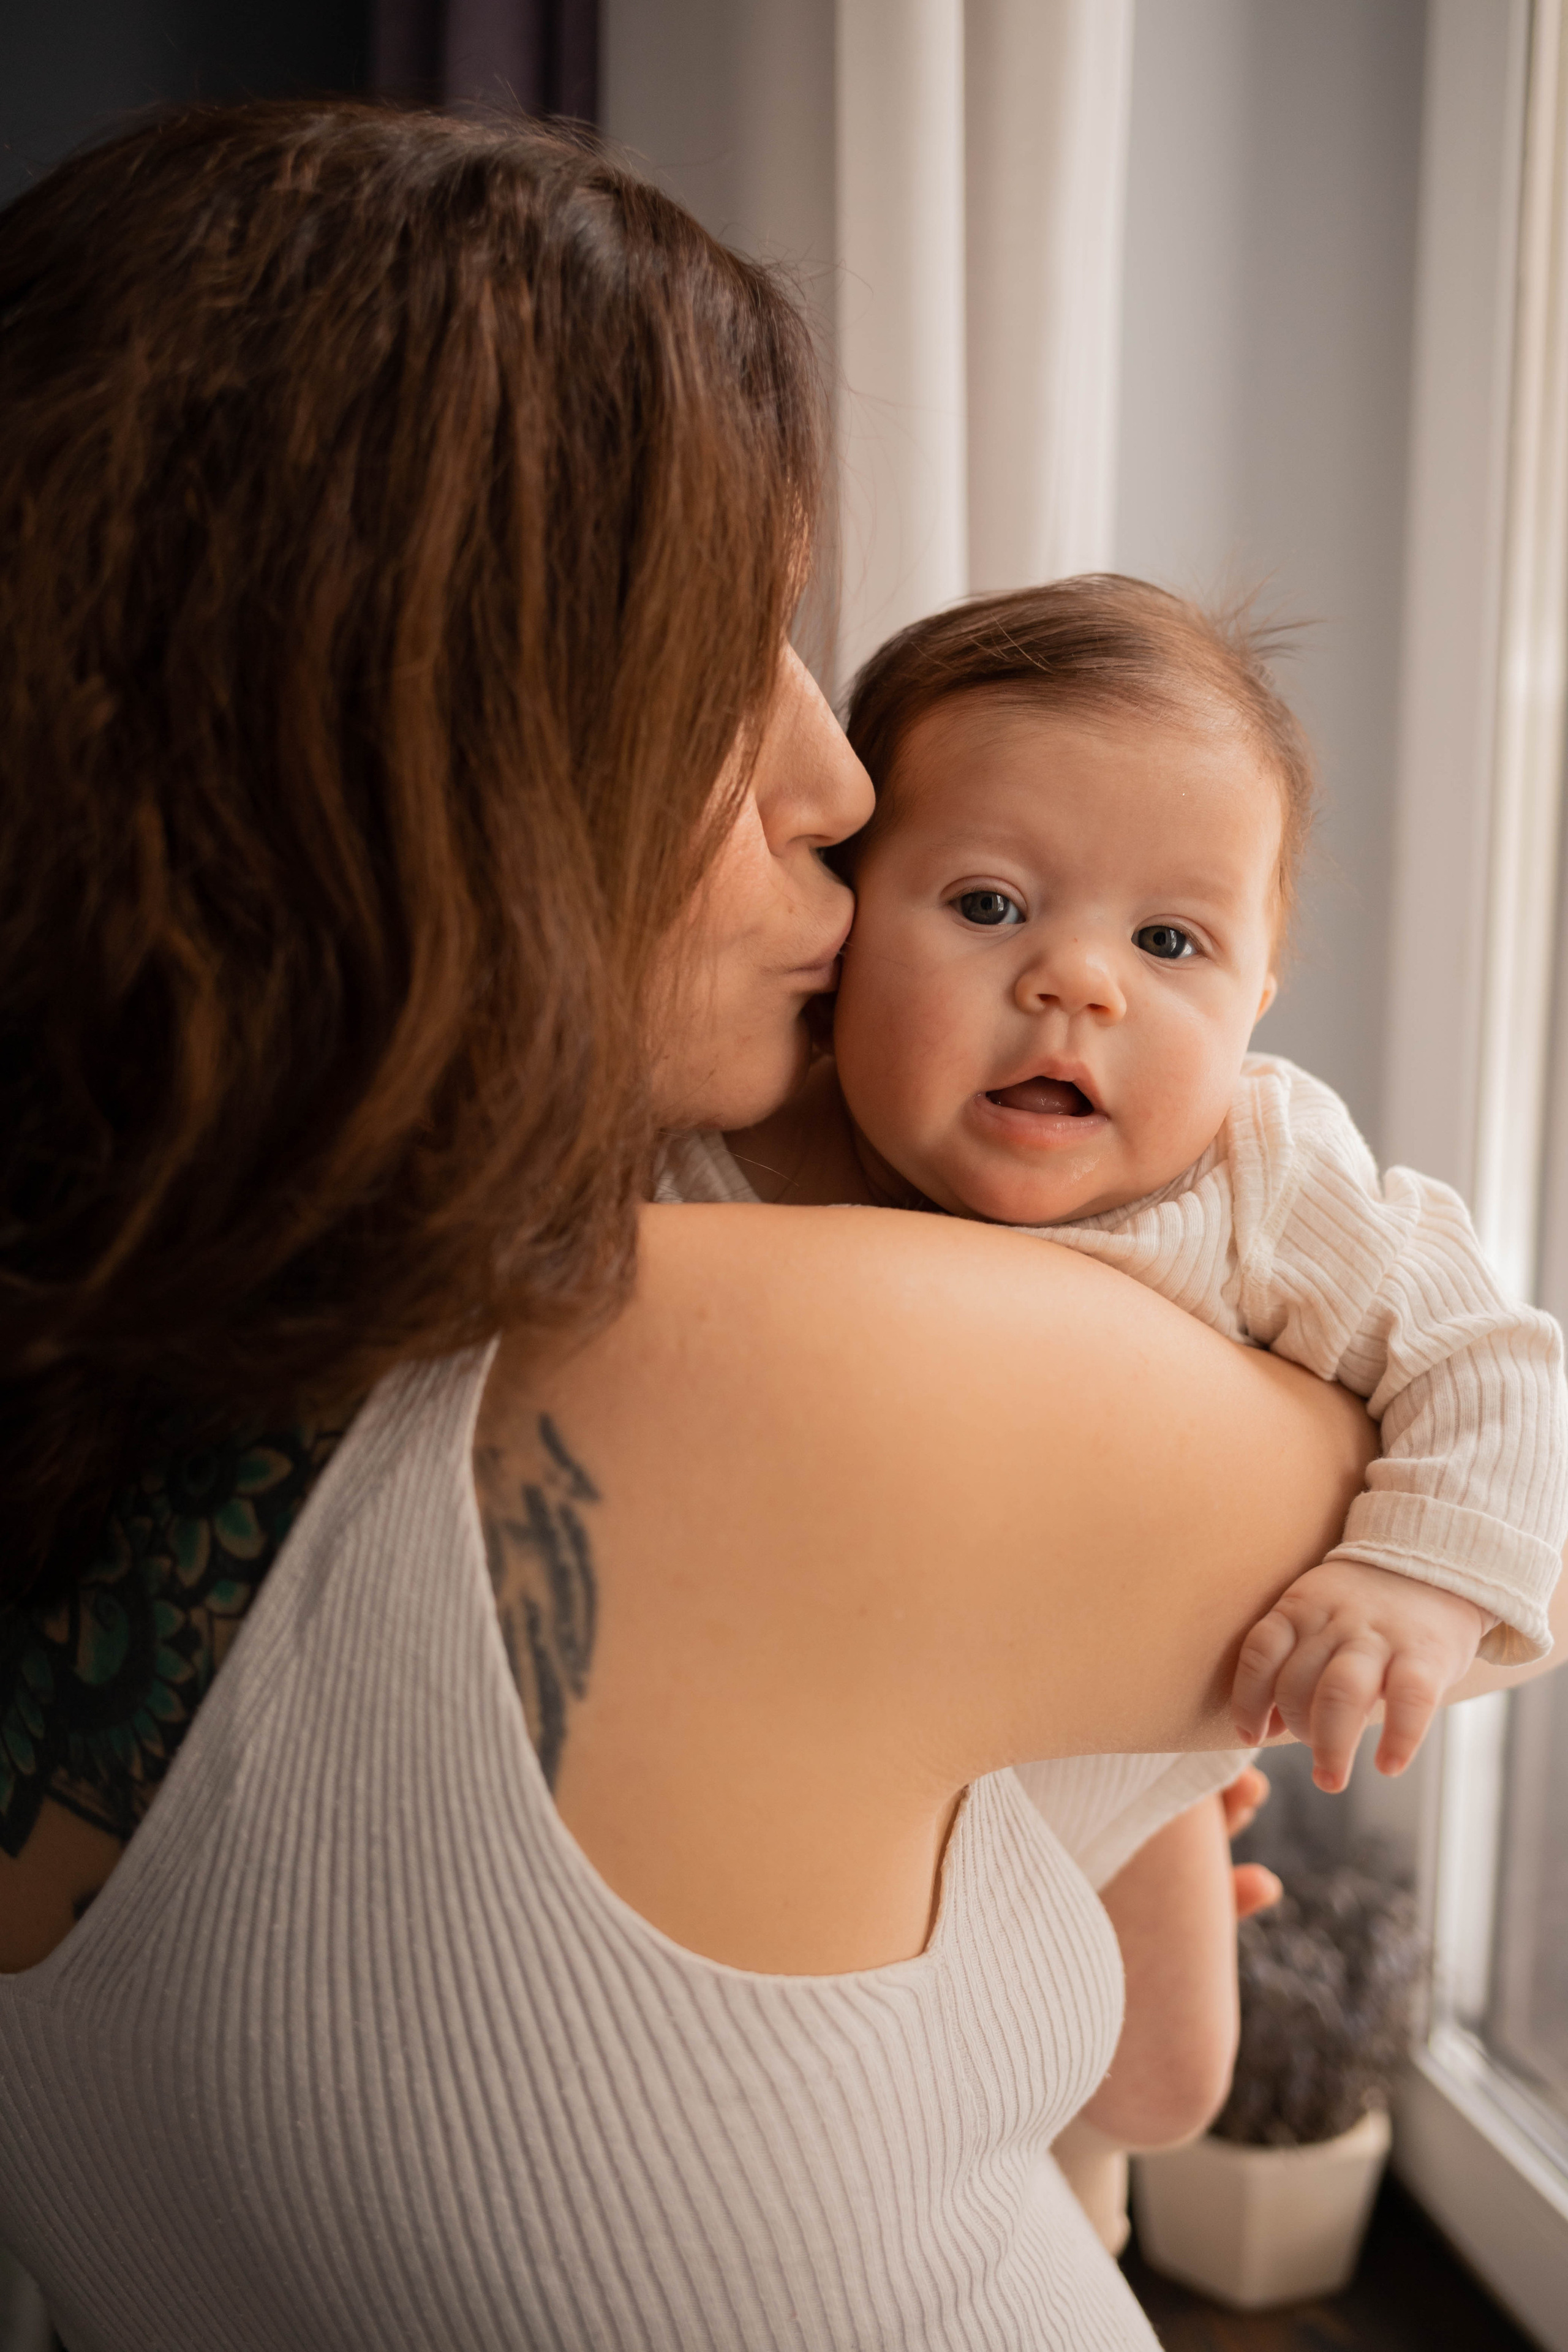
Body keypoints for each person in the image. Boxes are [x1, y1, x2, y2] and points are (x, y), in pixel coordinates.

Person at [0, 100, 1558, 2352]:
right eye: (729, 656)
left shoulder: (98, 1359)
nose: (838, 786)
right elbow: (1472, 1519)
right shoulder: (814, 1371)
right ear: (427, 757)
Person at [696, 578, 1567, 1799]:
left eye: (1167, 943)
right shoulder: (736, 1147)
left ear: (1252, 1003)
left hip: (1126, 1752)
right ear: (844, 930)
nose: (1077, 983)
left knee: (1172, 1888)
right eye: (987, 906)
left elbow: (1487, 1361)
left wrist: (1415, 1576)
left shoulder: (1260, 1175)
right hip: (844, 1751)